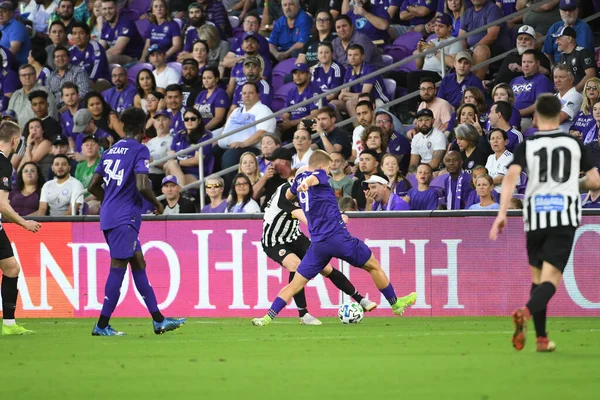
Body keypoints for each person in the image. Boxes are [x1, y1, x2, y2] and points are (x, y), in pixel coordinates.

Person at [251, 150, 418, 326]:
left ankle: (266, 318)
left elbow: (290, 196)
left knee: (295, 285)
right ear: (322, 166)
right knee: (373, 266)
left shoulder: (297, 183)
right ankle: (396, 304)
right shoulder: (318, 175)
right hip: (339, 239)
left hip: (318, 245)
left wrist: (304, 190)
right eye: (329, 168)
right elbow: (314, 178)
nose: (330, 172)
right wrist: (308, 183)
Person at [490, 94, 600, 352]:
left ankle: (541, 338)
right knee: (550, 281)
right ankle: (525, 312)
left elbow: (510, 178)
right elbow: (595, 181)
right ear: (560, 115)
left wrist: (502, 213)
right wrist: (575, 184)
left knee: (537, 278)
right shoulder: (574, 144)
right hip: (563, 216)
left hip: (536, 216)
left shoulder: (527, 145)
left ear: (536, 117)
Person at [87, 107, 186, 336]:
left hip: (110, 215)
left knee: (138, 262)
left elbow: (92, 185)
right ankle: (101, 325)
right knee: (118, 267)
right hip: (125, 218)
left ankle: (159, 320)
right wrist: (157, 204)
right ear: (143, 129)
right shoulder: (140, 150)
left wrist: (111, 199)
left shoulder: (110, 151)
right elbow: (142, 185)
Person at [261, 179, 377, 325]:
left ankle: (360, 299)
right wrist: (338, 221)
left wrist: (337, 216)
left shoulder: (307, 194)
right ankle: (303, 314)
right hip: (274, 241)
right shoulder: (283, 196)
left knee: (326, 268)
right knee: (296, 266)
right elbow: (310, 221)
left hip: (296, 237)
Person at [0, 121, 42, 335]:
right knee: (11, 269)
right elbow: (2, 204)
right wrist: (24, 223)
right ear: (15, 140)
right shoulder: (2, 164)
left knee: (11, 269)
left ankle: (8, 325)